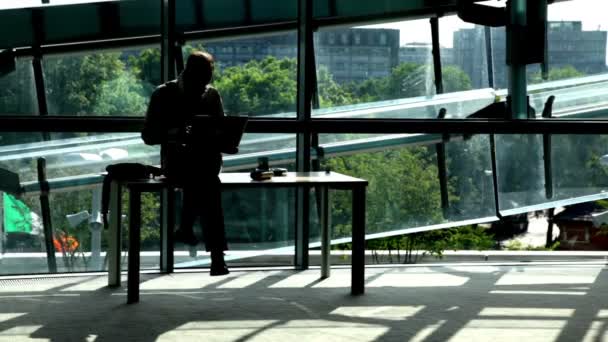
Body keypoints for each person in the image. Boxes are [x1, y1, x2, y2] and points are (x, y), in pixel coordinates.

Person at [141, 51, 232, 276]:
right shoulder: (163, 94)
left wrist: (224, 140)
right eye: (204, 79)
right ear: (191, 73)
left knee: (201, 175)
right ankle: (216, 257)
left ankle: (187, 227)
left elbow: (219, 129)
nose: (205, 85)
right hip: (187, 164)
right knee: (208, 186)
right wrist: (176, 133)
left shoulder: (209, 94)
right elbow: (149, 135)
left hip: (191, 164)